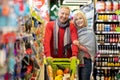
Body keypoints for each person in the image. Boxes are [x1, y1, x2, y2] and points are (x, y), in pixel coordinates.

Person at [73, 11, 97, 80]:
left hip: (85, 61)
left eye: (80, 18)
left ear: (84, 19)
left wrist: (78, 45)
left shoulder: (89, 32)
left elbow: (90, 50)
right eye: (76, 19)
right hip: (76, 60)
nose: (78, 21)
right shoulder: (74, 32)